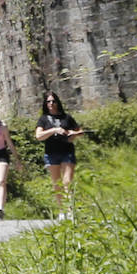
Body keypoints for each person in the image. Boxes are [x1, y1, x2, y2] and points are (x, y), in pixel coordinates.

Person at [34, 90, 83, 218]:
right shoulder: (43, 119)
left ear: (57, 102)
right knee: (57, 183)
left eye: (53, 101)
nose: (51, 103)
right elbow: (38, 136)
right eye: (48, 101)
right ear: (45, 103)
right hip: (51, 153)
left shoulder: (66, 117)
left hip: (67, 151)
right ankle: (61, 211)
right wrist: (54, 130)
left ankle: (70, 210)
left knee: (67, 182)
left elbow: (80, 131)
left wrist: (73, 134)